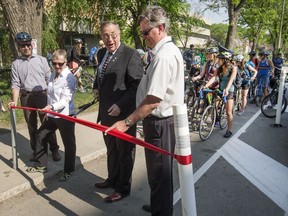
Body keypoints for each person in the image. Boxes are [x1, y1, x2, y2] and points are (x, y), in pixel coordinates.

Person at [106, 6, 184, 215]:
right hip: (161, 124)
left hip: (159, 123)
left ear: (160, 27)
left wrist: (126, 123)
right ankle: (161, 204)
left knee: (159, 173)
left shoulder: (163, 57)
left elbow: (152, 101)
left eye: (146, 32)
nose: (143, 37)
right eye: (141, 33)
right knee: (160, 173)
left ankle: (161, 209)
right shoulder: (165, 52)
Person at [92, 21, 144, 203]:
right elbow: (100, 74)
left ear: (119, 34)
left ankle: (122, 188)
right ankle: (112, 179)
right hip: (106, 113)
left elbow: (136, 85)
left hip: (124, 115)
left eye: (113, 34)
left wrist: (121, 105)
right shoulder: (100, 53)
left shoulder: (131, 54)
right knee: (111, 149)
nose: (110, 39)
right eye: (105, 35)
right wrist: (95, 86)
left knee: (124, 152)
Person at [8, 32, 61, 162]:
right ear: (19, 47)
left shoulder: (42, 60)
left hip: (42, 96)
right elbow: (15, 84)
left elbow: (49, 80)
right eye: (22, 46)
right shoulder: (16, 64)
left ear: (31, 44)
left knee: (47, 124)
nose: (26, 48)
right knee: (31, 126)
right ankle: (36, 151)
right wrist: (14, 101)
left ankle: (54, 149)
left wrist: (52, 98)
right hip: (26, 97)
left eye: (28, 44)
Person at [26, 49, 76, 181]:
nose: (57, 66)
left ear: (66, 62)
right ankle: (41, 164)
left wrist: (51, 107)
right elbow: (50, 95)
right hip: (52, 114)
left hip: (66, 115)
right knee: (40, 135)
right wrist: (49, 110)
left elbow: (66, 100)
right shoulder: (53, 74)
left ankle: (68, 171)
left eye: (60, 63)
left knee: (69, 144)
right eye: (54, 63)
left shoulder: (69, 77)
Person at [204, 50, 237, 138]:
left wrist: (226, 89)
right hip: (220, 89)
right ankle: (216, 118)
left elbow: (231, 80)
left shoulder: (233, 68)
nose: (217, 61)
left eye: (219, 59)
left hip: (229, 91)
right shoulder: (219, 68)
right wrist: (205, 86)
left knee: (229, 112)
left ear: (225, 60)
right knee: (214, 103)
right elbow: (214, 78)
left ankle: (229, 130)